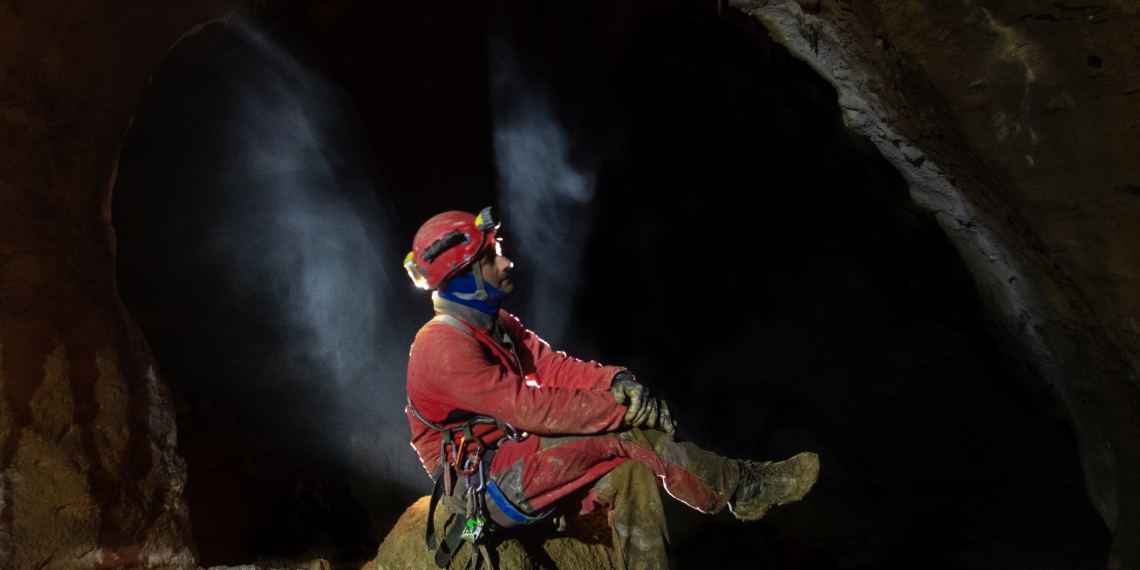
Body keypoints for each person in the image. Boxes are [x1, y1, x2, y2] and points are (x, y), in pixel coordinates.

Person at [403, 207, 819, 570]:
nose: (506, 262)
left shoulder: (495, 324)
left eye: (498, 250)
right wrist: (621, 409)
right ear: (463, 279)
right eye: (491, 258)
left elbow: (550, 366)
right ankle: (742, 487)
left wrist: (614, 382)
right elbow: (529, 408)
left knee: (633, 475)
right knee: (621, 432)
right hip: (483, 482)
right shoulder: (441, 347)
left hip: (516, 457)